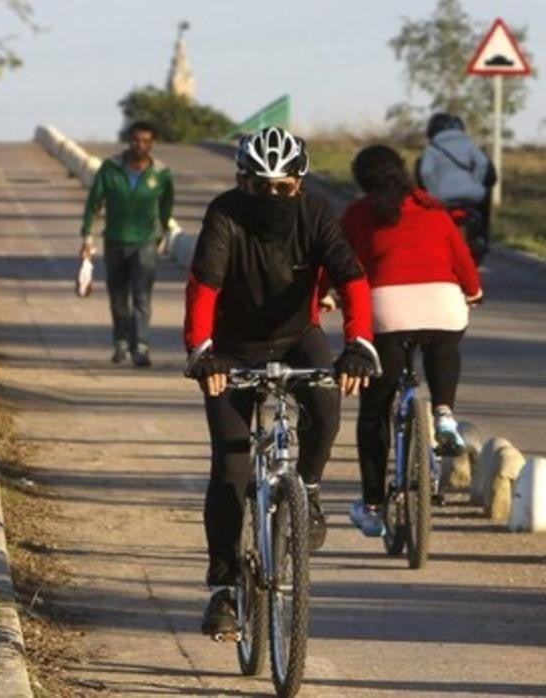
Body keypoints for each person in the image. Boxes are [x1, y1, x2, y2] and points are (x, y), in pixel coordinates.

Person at [183, 126, 379, 637]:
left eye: (283, 186)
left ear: (299, 184)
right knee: (230, 468)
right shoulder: (224, 213)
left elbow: (352, 278)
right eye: (258, 186)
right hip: (231, 346)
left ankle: (307, 488)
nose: (271, 196)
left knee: (327, 405)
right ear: (241, 181)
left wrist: (359, 343)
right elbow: (204, 284)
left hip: (298, 336)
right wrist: (202, 351)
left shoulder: (315, 214)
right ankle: (224, 590)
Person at [341, 144, 482, 538]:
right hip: (443, 303)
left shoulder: (358, 215)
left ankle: (371, 505)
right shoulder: (434, 210)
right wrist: (472, 290)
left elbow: (339, 262)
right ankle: (443, 414)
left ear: (362, 182)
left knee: (374, 411)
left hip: (387, 311)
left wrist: (326, 295)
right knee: (444, 343)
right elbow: (462, 259)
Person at [79, 120, 176, 368]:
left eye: (146, 141)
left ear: (152, 143)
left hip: (145, 242)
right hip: (115, 240)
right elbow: (94, 203)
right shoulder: (110, 169)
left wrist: (161, 232)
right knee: (118, 295)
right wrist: (87, 237)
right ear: (128, 141)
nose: (140, 145)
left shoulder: (161, 174)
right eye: (135, 140)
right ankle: (121, 342)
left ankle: (141, 346)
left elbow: (166, 206)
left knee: (142, 296)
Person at [416, 112, 497, 261]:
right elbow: (486, 168)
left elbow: (425, 173)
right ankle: (483, 237)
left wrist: (433, 192)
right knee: (485, 200)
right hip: (471, 198)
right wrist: (476, 182)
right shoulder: (470, 145)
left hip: (440, 200)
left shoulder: (431, 150)